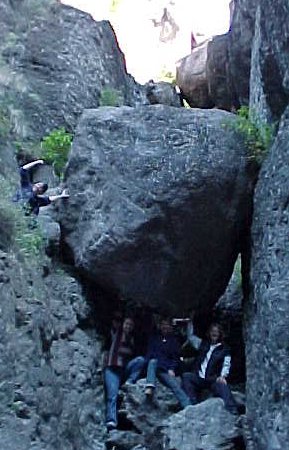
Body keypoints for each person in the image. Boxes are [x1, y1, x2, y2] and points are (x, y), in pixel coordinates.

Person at [181, 313, 238, 414]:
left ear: (220, 334)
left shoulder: (224, 349)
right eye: (212, 331)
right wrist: (190, 321)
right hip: (199, 377)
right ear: (209, 333)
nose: (214, 333)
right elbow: (191, 337)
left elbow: (226, 364)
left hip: (212, 379)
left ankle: (232, 409)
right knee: (186, 376)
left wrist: (223, 376)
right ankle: (191, 404)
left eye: (216, 331)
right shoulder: (203, 344)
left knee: (222, 385)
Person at [103, 316, 145, 431]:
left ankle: (128, 383)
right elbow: (113, 323)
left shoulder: (132, 339)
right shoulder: (116, 333)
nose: (128, 326)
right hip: (112, 368)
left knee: (140, 360)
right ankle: (111, 421)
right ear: (122, 324)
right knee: (112, 395)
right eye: (126, 324)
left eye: (131, 325)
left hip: (124, 369)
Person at [144, 318, 191, 409]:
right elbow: (149, 354)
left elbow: (175, 358)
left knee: (174, 385)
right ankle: (149, 386)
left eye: (167, 325)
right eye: (163, 324)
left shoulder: (173, 341)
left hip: (164, 368)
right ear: (160, 326)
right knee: (152, 361)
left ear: (170, 327)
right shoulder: (154, 338)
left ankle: (188, 405)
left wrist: (172, 368)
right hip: (153, 366)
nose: (165, 327)